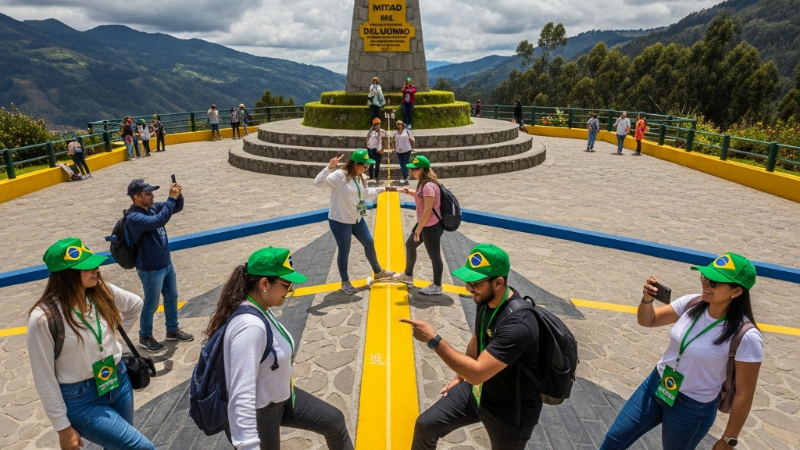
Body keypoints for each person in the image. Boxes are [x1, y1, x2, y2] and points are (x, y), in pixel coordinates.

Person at [600, 253, 763, 450]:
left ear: (736, 291)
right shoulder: (691, 303)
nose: (705, 284)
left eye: (713, 282)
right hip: (656, 385)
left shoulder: (746, 335)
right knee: (613, 440)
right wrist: (646, 301)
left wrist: (729, 440)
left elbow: (744, 394)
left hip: (692, 407)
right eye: (704, 277)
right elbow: (647, 320)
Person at [207, 247, 354, 450]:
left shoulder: (260, 307)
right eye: (287, 284)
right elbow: (241, 395)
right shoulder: (250, 327)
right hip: (262, 411)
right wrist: (249, 445)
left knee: (334, 421)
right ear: (264, 283)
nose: (290, 290)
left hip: (281, 396)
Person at [402, 244, 542, 449]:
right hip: (478, 391)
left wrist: (434, 340)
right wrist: (460, 377)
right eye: (468, 281)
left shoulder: (519, 325)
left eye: (475, 283)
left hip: (510, 411)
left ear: (498, 282)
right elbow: (477, 339)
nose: (469, 288)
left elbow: (477, 373)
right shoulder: (485, 301)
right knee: (426, 425)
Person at [27, 238, 155, 450]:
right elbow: (44, 376)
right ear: (66, 275)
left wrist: (109, 340)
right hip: (81, 399)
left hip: (118, 381)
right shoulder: (42, 318)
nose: (96, 269)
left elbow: (135, 304)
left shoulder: (100, 290)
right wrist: (62, 427)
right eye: (87, 267)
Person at [313, 150, 395, 295]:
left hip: (356, 218)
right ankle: (345, 281)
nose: (365, 169)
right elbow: (318, 183)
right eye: (364, 166)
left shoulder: (359, 177)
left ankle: (378, 271)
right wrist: (330, 167)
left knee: (369, 242)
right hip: (340, 220)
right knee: (345, 250)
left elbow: (364, 193)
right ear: (355, 164)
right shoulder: (340, 175)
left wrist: (384, 189)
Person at [125, 179, 194, 353]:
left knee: (172, 297)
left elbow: (175, 208)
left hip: (165, 263)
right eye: (148, 193)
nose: (152, 196)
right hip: (150, 269)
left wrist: (178, 195)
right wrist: (171, 198)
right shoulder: (134, 217)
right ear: (137, 196)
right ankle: (145, 336)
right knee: (151, 303)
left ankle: (172, 329)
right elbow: (159, 221)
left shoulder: (152, 207)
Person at [393, 156, 443, 295]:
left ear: (422, 169)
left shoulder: (428, 186)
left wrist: (418, 230)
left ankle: (437, 286)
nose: (411, 172)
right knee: (410, 245)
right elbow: (421, 196)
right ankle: (408, 276)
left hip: (431, 226)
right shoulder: (423, 183)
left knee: (434, 255)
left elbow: (428, 209)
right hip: (424, 224)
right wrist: (409, 192)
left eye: (414, 169)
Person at [365, 118, 387, 183]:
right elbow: (368, 136)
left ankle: (376, 176)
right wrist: (367, 142)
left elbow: (385, 142)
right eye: (375, 125)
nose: (377, 126)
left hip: (379, 149)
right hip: (371, 148)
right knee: (371, 162)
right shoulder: (372, 131)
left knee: (377, 164)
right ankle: (371, 176)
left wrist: (383, 149)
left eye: (378, 125)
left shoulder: (383, 132)